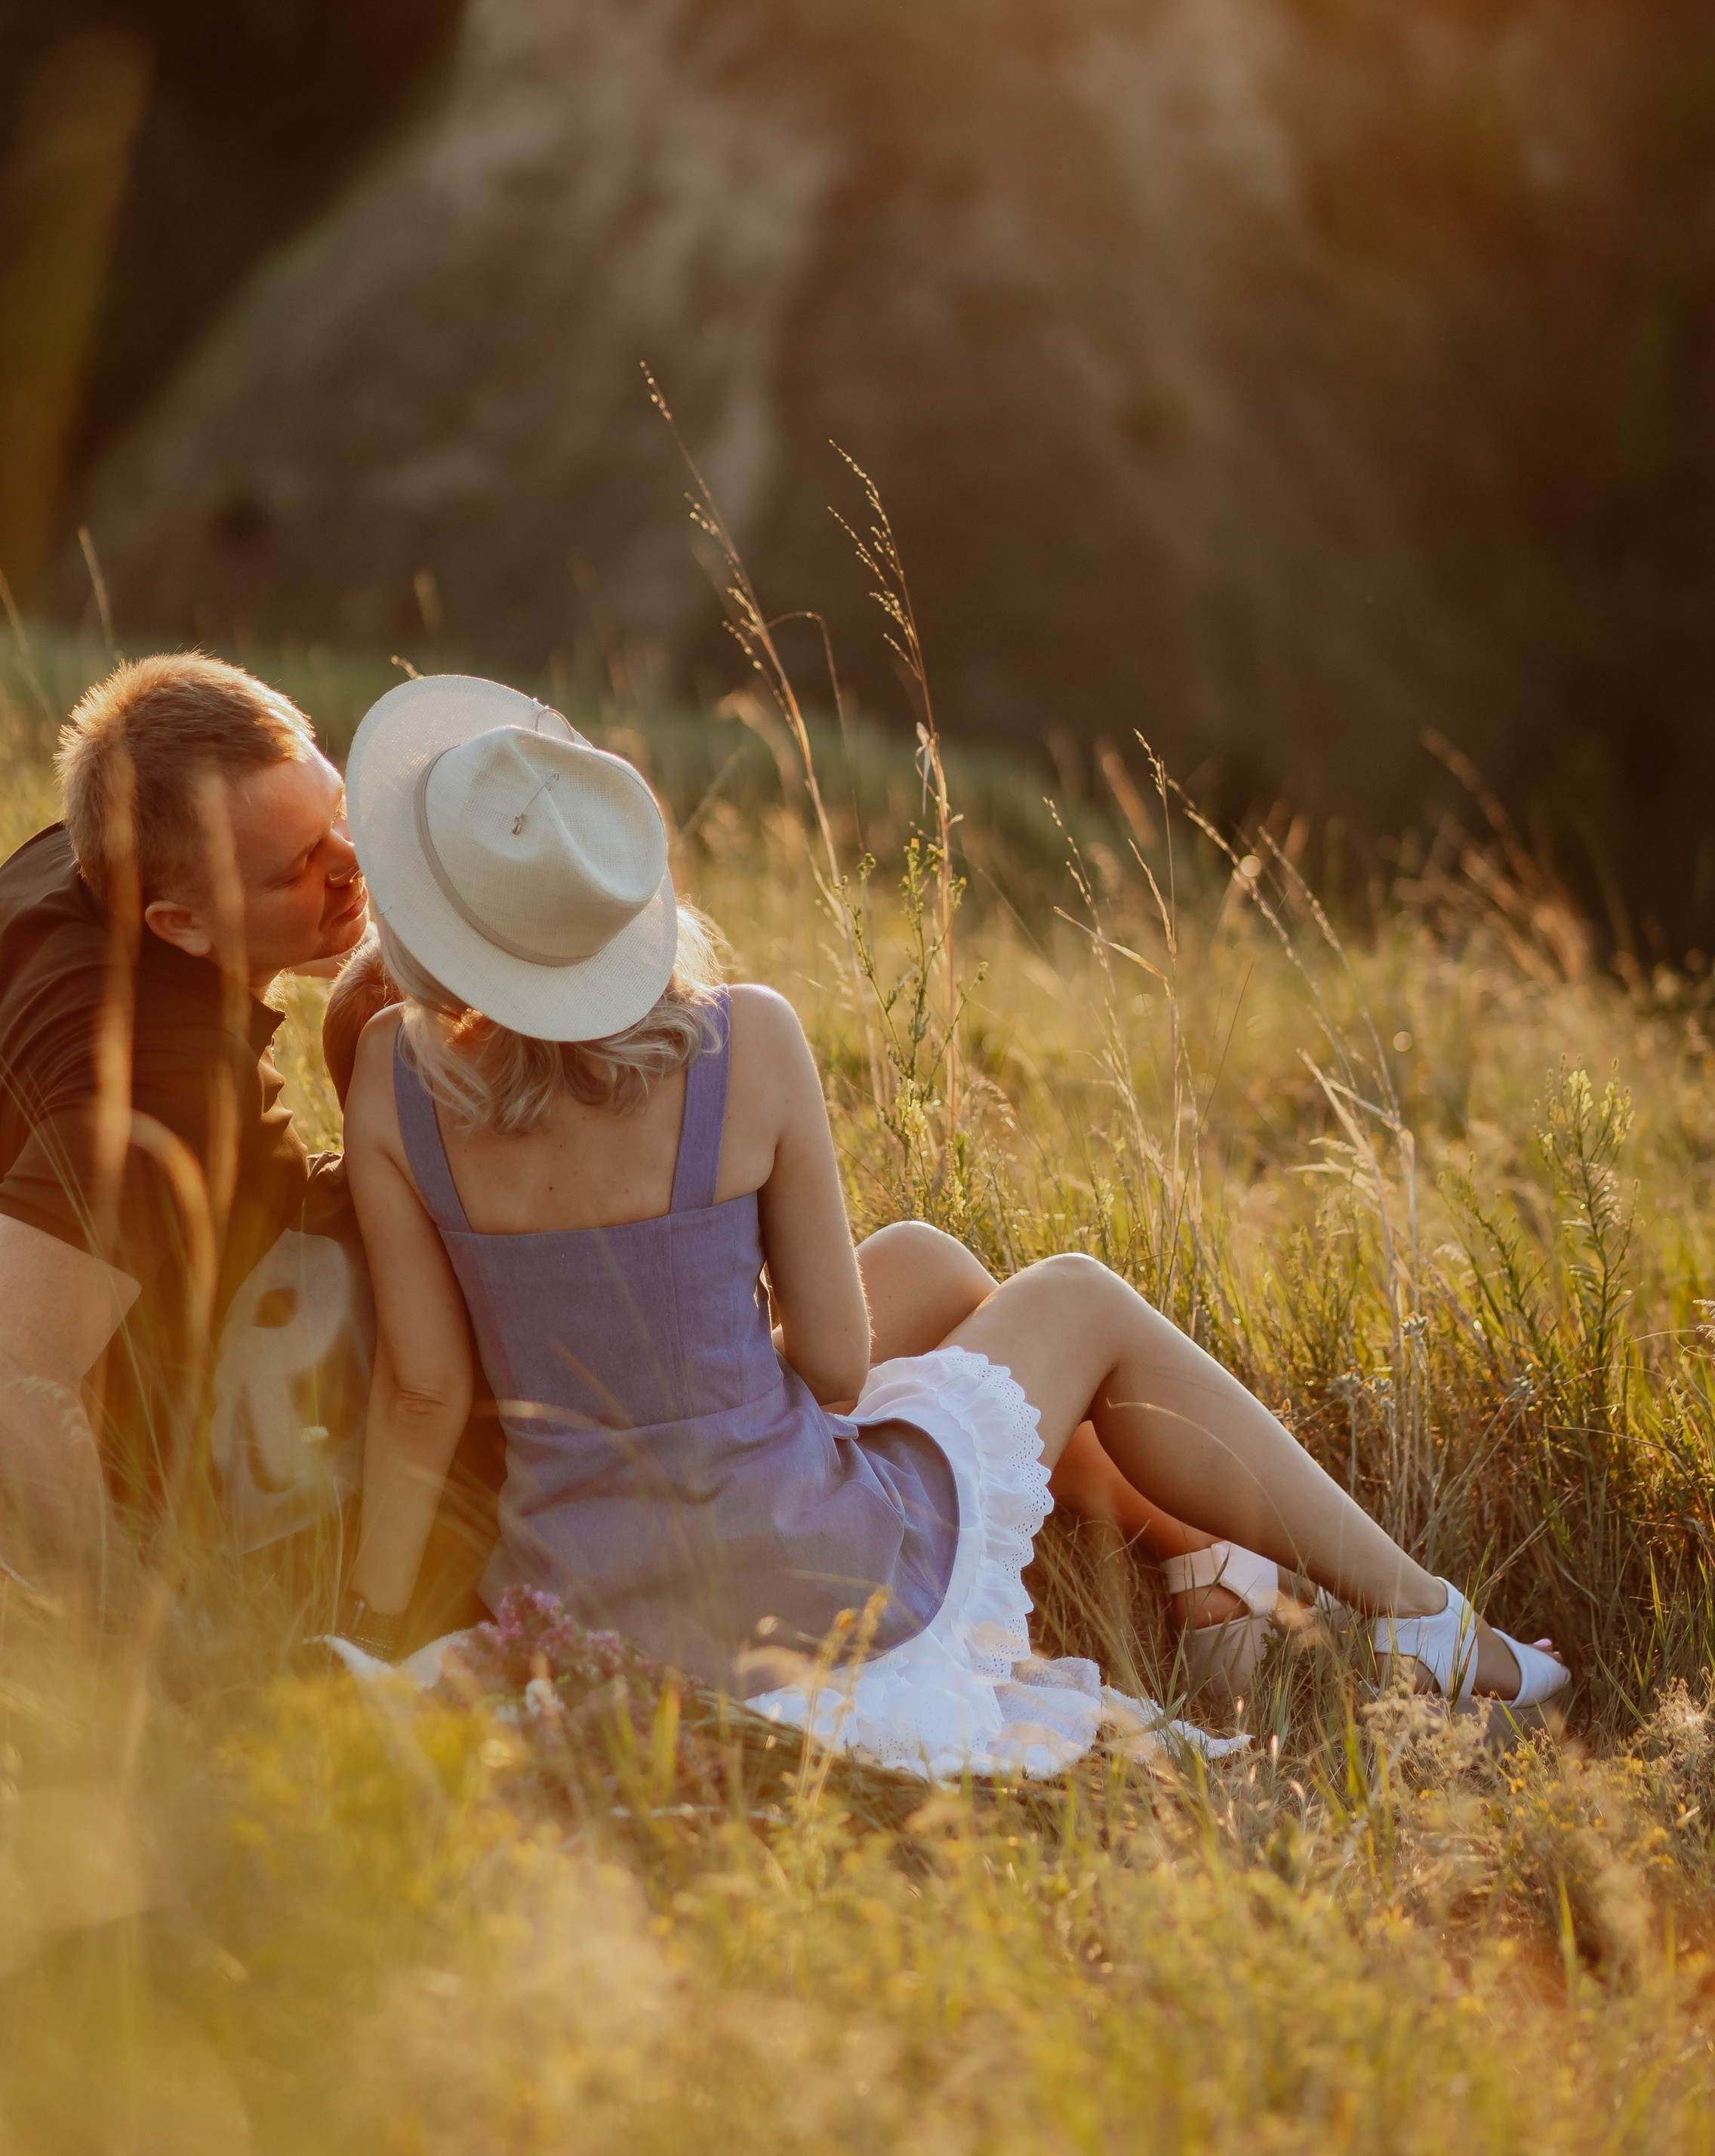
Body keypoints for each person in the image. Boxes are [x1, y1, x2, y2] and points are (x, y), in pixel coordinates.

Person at [335, 673, 1568, 1769]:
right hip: (809, 1578)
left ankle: (1207, 1574)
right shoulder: (744, 1036)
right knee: (1078, 1293)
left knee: (924, 1260)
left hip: (591, 1604)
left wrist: (377, 1620)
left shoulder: (393, 1077)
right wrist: (710, 1352)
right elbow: (828, 1361)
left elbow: (426, 1395)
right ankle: (1435, 1629)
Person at [0, 654, 368, 1601]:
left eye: (335, 811)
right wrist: (123, 1662)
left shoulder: (66, 857)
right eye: (297, 868)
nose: (349, 864)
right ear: (179, 922)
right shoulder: (172, 1088)